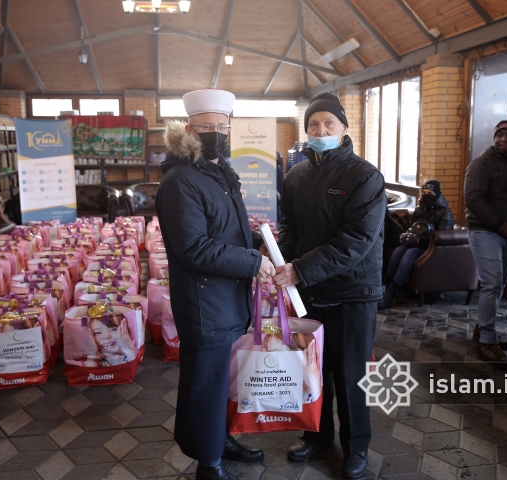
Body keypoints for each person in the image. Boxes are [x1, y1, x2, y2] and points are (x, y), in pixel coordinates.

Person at [155, 89, 277, 480]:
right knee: (206, 385)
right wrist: (253, 261)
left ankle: (221, 440)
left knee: (225, 380)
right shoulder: (180, 181)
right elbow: (193, 248)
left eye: (222, 126)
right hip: (205, 302)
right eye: (207, 127)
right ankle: (208, 464)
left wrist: (259, 240)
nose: (216, 133)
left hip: (229, 297)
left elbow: (228, 231)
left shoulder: (222, 173)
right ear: (189, 129)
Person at [272, 92, 386, 479]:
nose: (320, 130)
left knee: (351, 372)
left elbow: (356, 241)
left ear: (343, 129)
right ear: (305, 130)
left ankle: (357, 447)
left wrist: (299, 270)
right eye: (313, 124)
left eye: (328, 124)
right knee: (313, 369)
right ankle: (318, 436)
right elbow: (291, 230)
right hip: (310, 291)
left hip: (354, 292)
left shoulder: (364, 176)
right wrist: (275, 258)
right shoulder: (296, 176)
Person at [464, 120, 507, 369]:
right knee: (493, 283)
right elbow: (472, 199)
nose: (504, 139)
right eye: (500, 134)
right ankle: (487, 341)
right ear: (495, 137)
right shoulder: (482, 163)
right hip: (486, 232)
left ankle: (482, 328)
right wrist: (501, 225)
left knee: (498, 285)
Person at [380, 180, 453, 309]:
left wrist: (419, 240)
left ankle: (392, 293)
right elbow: (413, 227)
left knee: (409, 253)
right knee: (399, 250)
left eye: (429, 193)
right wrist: (407, 237)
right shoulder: (420, 209)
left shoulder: (445, 212)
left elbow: (442, 237)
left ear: (437, 194)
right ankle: (386, 285)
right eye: (423, 192)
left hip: (432, 248)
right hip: (417, 243)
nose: (426, 195)